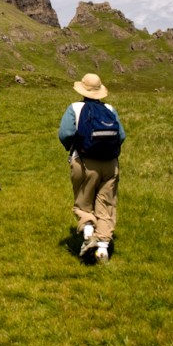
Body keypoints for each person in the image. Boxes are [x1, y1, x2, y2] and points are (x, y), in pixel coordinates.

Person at [58, 73, 126, 263]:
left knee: (83, 198)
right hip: (110, 163)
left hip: (84, 161)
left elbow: (65, 134)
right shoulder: (110, 109)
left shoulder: (75, 108)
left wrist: (73, 148)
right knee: (106, 204)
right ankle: (103, 250)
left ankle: (88, 232)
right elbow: (121, 135)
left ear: (83, 90)